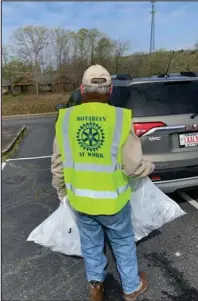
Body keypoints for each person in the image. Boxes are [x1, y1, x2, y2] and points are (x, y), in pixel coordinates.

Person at [51, 65, 155, 301]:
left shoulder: (65, 119)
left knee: (90, 245)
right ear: (110, 91)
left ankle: (96, 288)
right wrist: (150, 168)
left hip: (81, 200)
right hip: (114, 202)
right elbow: (132, 166)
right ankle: (130, 288)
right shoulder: (120, 117)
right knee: (123, 243)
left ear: (81, 90)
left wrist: (60, 191)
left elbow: (58, 164)